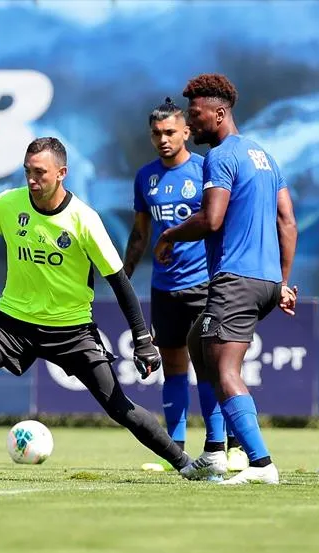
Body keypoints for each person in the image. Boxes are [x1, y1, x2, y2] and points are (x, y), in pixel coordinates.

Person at [0, 137, 198, 481]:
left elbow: (119, 282)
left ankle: (186, 464)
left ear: (62, 173)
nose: (31, 179)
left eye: (39, 172)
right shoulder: (8, 204)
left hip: (71, 332)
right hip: (10, 324)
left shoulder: (84, 219)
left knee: (119, 407)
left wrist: (143, 339)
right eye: (27, 171)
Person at [154, 73, 298, 485]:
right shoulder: (263, 156)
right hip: (266, 281)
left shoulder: (221, 156)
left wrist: (170, 234)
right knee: (199, 341)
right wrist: (283, 281)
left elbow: (211, 219)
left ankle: (260, 463)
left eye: (196, 115)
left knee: (225, 368)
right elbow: (287, 222)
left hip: (235, 279)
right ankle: (215, 453)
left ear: (219, 113)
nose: (191, 123)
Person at [123, 97, 246, 474]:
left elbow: (219, 221)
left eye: (171, 132)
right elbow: (141, 234)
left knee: (210, 367)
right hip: (164, 288)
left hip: (204, 284)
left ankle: (219, 446)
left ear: (187, 133)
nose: (163, 139)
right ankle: (174, 449)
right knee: (173, 367)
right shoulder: (146, 177)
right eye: (157, 134)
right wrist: (123, 276)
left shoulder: (205, 168)